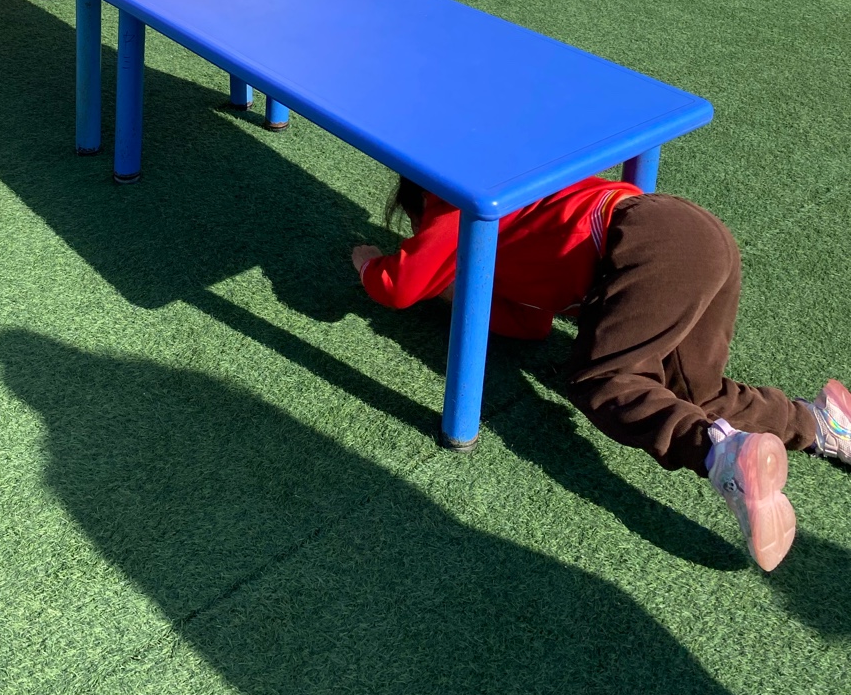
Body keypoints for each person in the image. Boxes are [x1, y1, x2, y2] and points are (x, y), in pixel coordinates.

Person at [352, 173, 851, 573]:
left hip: (643, 241)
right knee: (696, 389)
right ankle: (820, 423)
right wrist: (453, 290)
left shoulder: (455, 203)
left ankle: (717, 452)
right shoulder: (518, 200)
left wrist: (370, 264)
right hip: (693, 229)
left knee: (602, 380)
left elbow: (399, 285)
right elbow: (530, 325)